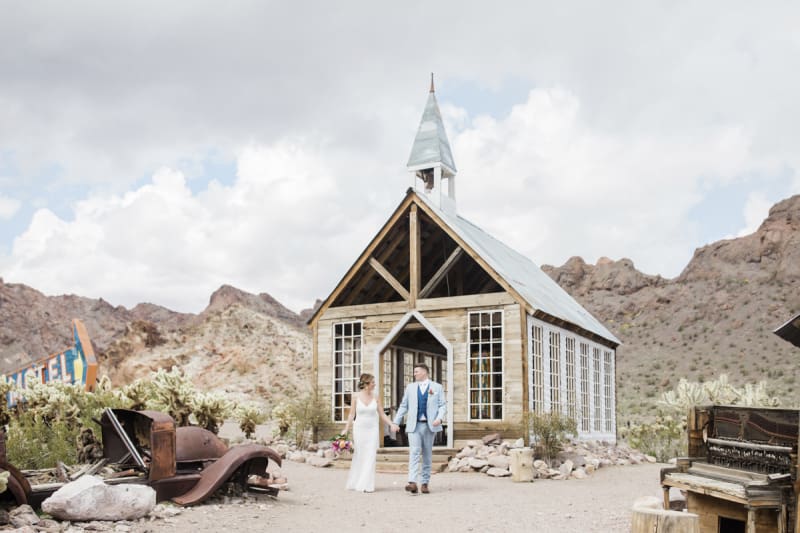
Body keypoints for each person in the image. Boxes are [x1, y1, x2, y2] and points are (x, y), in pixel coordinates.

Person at [393, 363, 446, 494]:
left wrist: (439, 418)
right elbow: (404, 405)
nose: (414, 374)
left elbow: (442, 405)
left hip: (430, 426)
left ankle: (425, 483)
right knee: (414, 453)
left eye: (416, 371)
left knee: (427, 454)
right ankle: (412, 482)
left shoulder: (437, 387)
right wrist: (396, 422)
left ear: (424, 372)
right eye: (414, 372)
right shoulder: (410, 387)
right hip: (414, 425)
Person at [343, 373, 399, 493]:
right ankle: (357, 481)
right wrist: (346, 428)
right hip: (359, 429)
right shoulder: (355, 397)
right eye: (373, 382)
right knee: (360, 455)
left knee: (370, 455)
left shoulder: (376, 397)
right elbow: (352, 414)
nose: (374, 384)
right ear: (366, 384)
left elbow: (382, 414)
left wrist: (391, 424)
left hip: (372, 429)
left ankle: (366, 484)